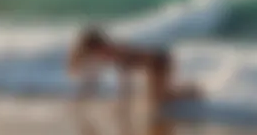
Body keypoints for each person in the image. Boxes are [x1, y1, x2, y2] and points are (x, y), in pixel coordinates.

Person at [68, 26, 204, 112]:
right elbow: (93, 79)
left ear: (102, 46)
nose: (97, 56)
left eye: (96, 51)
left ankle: (194, 91)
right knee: (158, 100)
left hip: (160, 62)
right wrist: (82, 98)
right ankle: (191, 90)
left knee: (161, 100)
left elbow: (126, 79)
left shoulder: (117, 52)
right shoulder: (107, 53)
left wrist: (123, 104)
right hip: (153, 64)